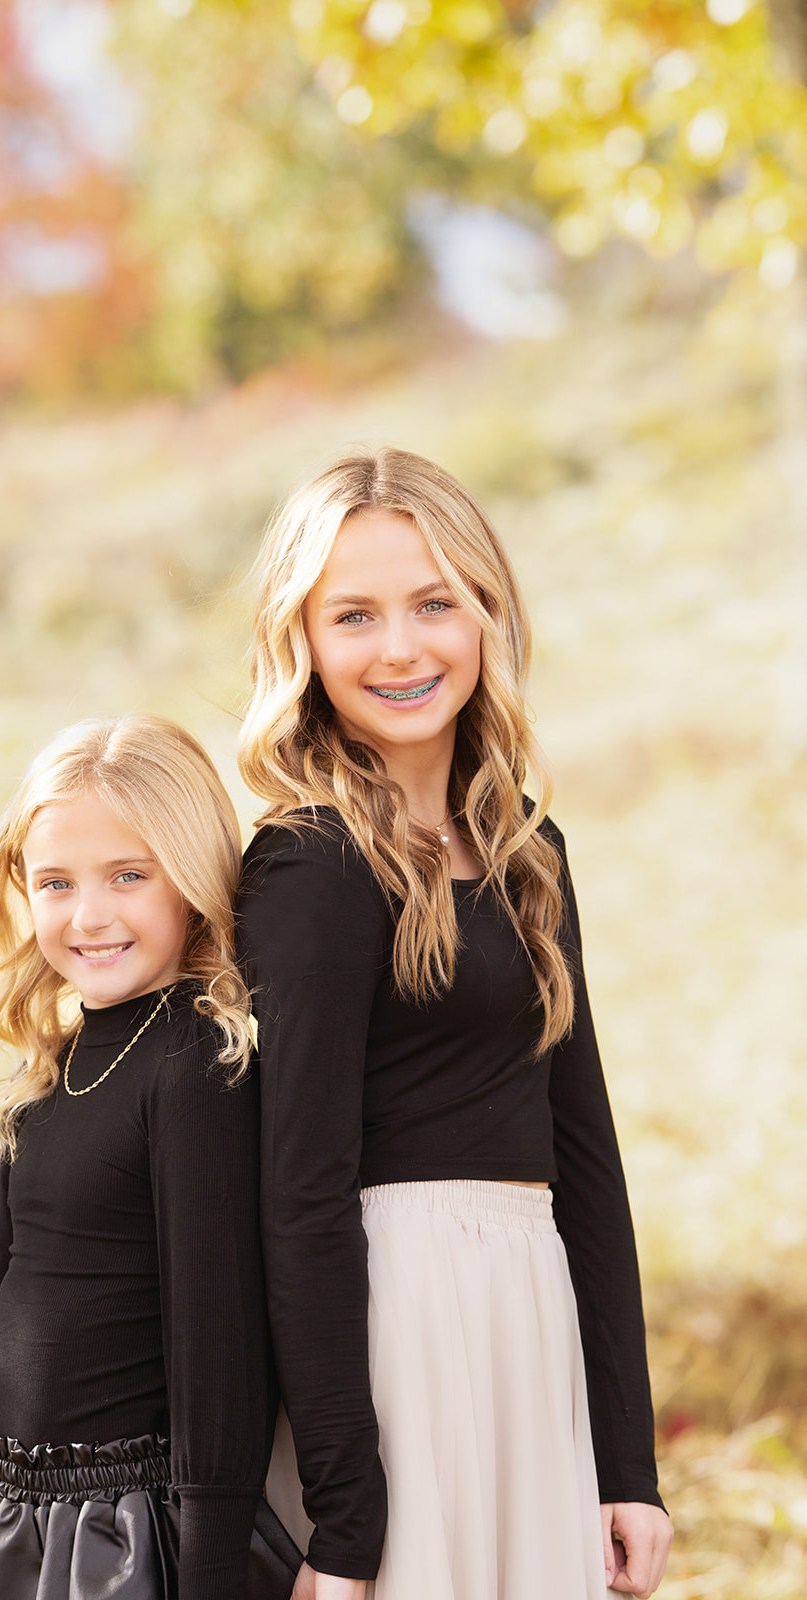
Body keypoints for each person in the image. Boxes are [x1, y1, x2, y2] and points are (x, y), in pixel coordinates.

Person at [235, 447, 674, 1600]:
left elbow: (585, 1159)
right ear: (303, 641)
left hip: (526, 1322)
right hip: (391, 1339)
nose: (400, 646)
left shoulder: (532, 854)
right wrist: (344, 1513)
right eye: (354, 614)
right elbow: (298, 1196)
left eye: (435, 602)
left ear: (486, 610)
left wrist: (624, 1461)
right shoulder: (308, 864)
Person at [0, 714, 298, 1600]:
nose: (90, 915)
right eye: (56, 883)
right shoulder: (51, 1068)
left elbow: (217, 1347)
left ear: (191, 877)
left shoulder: (196, 1065)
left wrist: (213, 1574)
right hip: (11, 1521)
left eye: (128, 875)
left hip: (131, 1537)